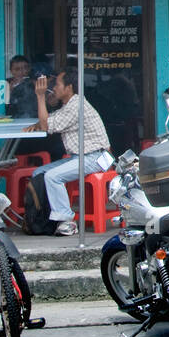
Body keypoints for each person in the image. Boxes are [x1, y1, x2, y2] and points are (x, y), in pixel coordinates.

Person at [33, 69, 112, 236]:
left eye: (57, 85)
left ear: (68, 87)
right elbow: (47, 121)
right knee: (39, 172)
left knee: (52, 176)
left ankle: (67, 221)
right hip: (82, 156)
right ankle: (43, 218)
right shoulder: (69, 104)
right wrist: (37, 124)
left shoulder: (76, 105)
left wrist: (40, 97)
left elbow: (46, 125)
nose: (53, 88)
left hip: (96, 157)